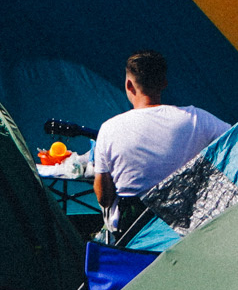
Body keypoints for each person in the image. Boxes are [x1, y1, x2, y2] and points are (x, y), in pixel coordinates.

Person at [90, 52, 227, 235]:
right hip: (188, 231)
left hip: (135, 234)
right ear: (164, 83)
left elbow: (104, 198)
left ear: (129, 85)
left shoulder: (109, 129)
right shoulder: (197, 119)